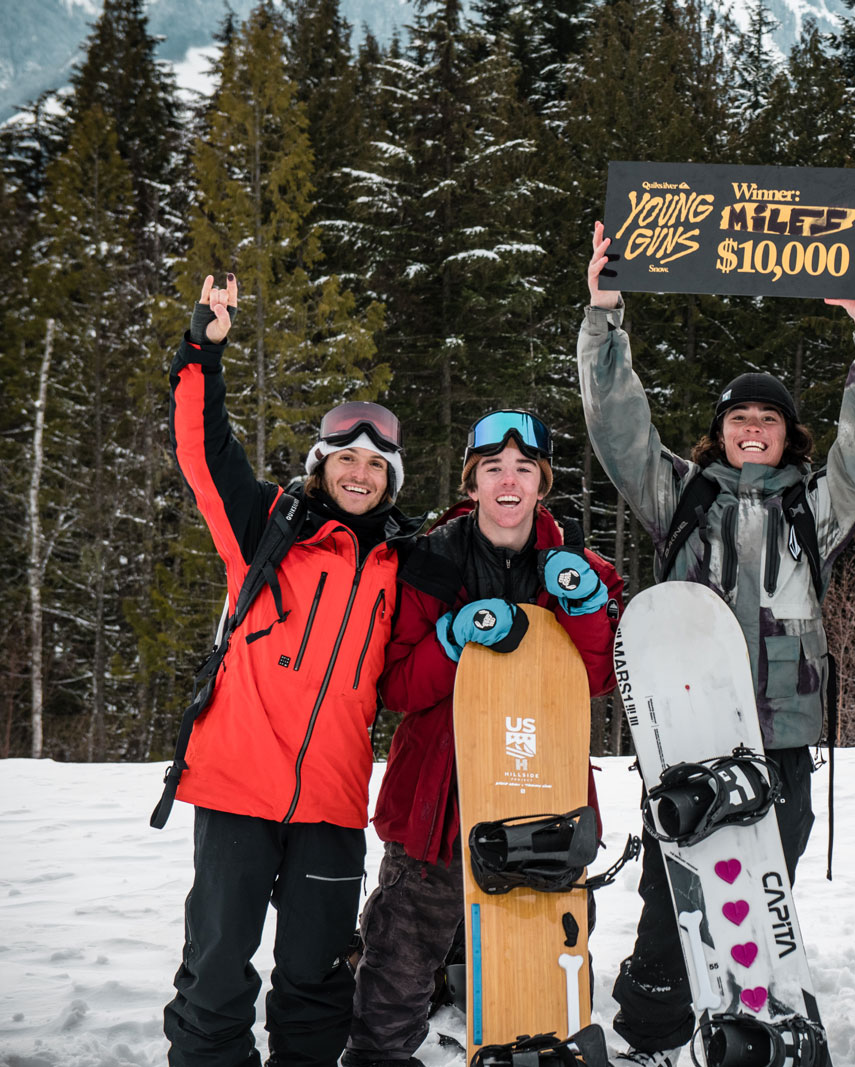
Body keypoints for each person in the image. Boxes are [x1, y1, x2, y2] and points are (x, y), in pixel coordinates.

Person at [578, 221, 855, 1066]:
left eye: (768, 418)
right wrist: (605, 313)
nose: (752, 428)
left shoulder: (813, 508)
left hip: (785, 735)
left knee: (762, 890)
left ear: (787, 434)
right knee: (669, 889)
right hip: (687, 734)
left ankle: (750, 1026)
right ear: (720, 431)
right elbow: (620, 430)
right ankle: (652, 1031)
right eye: (738, 417)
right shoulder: (680, 498)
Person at [164, 274, 420, 1067]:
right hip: (238, 786)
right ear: (322, 466)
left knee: (315, 976)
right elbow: (206, 453)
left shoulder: (404, 563)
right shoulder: (268, 528)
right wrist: (203, 351)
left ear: (390, 481)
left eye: (374, 466)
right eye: (345, 457)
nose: (359, 473)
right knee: (216, 966)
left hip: (333, 803)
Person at [343, 410, 624, 1067]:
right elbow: (398, 688)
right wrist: (451, 639)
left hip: (540, 781)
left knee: (540, 926)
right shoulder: (429, 560)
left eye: (523, 468)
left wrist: (582, 610)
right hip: (441, 789)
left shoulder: (579, 565)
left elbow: (598, 678)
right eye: (493, 468)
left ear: (541, 483)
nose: (508, 480)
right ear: (472, 483)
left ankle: (540, 1038)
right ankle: (379, 1049)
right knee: (408, 930)